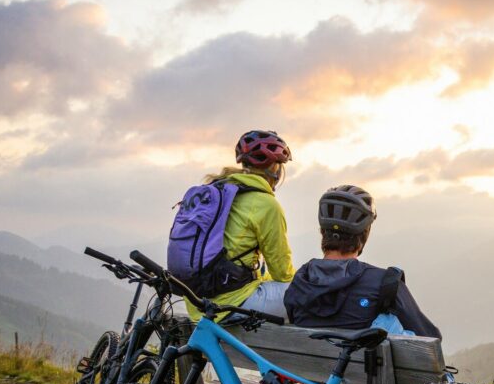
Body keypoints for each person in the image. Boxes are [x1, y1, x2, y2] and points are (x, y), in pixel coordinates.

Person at [284, 184, 441, 339]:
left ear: (322, 231)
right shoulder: (386, 284)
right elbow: (429, 339)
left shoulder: (301, 281)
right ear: (364, 235)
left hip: (299, 364)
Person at [183, 130, 295, 322]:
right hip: (229, 305)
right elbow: (282, 273)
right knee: (300, 294)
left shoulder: (219, 190)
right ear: (274, 169)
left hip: (197, 303)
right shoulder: (266, 204)